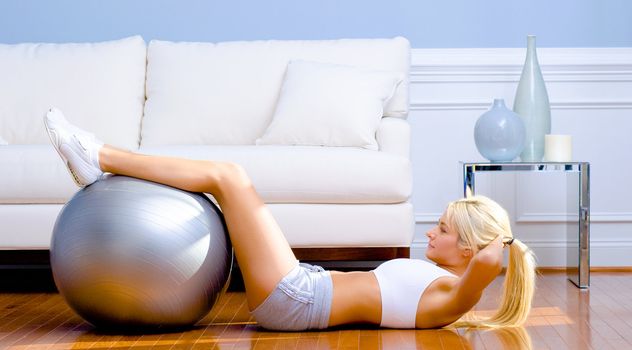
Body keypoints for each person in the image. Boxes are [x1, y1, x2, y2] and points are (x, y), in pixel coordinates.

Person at [43, 107, 536, 331]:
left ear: (470, 249)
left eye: (445, 230)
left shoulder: (450, 298)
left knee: (229, 177)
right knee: (228, 183)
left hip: (297, 300)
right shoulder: (441, 287)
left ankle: (98, 154)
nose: (432, 230)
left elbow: (487, 266)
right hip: (304, 287)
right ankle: (102, 159)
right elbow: (481, 261)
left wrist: (507, 242)